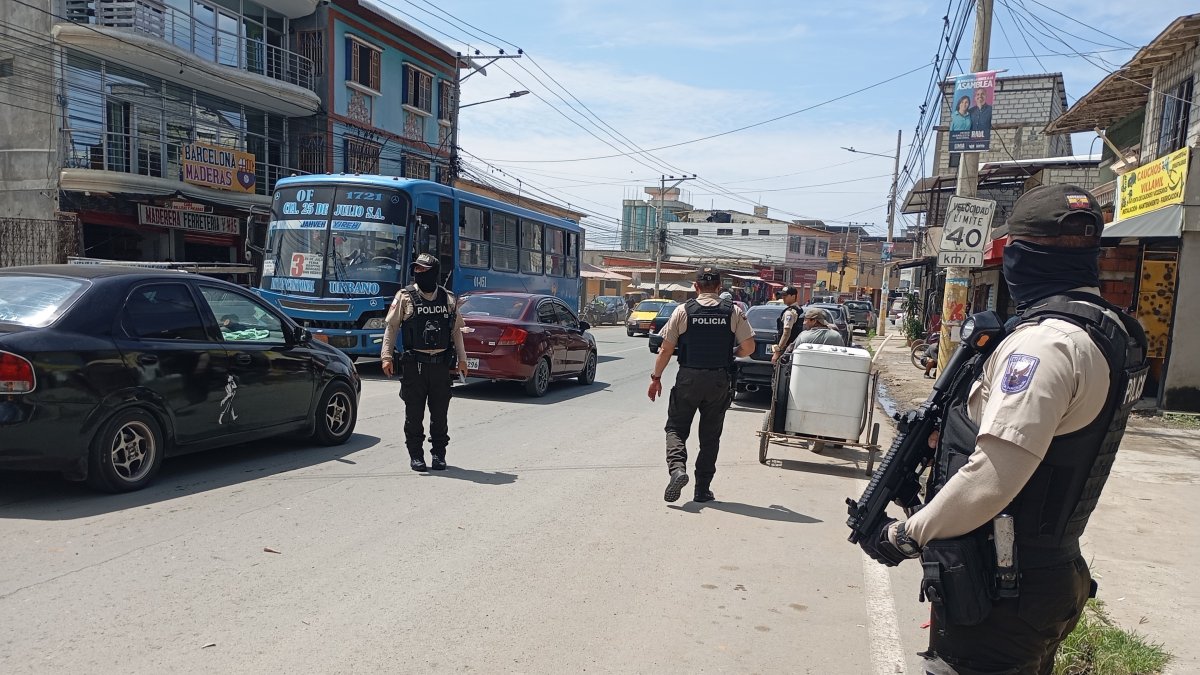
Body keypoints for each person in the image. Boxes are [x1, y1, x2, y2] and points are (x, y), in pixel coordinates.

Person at [857, 185, 1149, 674]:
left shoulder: (1043, 345)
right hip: (1045, 571)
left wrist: (906, 534)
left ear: (1016, 255)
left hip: (1003, 589)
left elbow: (994, 476)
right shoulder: (1112, 330)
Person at [648, 267, 754, 503]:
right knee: (710, 437)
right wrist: (730, 351)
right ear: (719, 287)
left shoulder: (683, 310)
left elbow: (665, 350)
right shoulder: (733, 311)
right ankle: (702, 490)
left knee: (676, 428)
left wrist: (656, 379)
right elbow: (749, 348)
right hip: (718, 380)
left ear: (696, 287)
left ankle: (677, 469)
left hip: (688, 377)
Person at [381, 253, 469, 472]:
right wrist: (386, 356)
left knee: (439, 415)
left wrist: (462, 359)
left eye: (423, 270)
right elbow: (391, 328)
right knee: (414, 415)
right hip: (415, 366)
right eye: (416, 270)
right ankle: (416, 456)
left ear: (433, 272)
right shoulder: (405, 296)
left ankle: (439, 455)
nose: (418, 273)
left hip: (440, 366)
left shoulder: (448, 299)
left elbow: (456, 330)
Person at [771, 285, 802, 364]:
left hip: (786, 350)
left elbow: (786, 332)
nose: (783, 297)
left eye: (785, 295)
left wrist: (778, 351)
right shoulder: (799, 309)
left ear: (793, 296)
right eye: (782, 295)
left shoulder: (790, 312)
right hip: (794, 348)